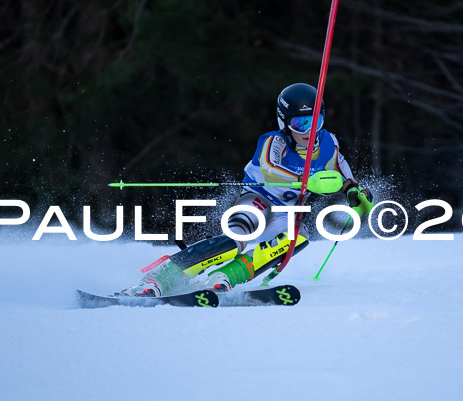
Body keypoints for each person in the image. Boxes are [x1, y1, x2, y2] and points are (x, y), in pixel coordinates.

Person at [119, 83, 373, 296]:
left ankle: (224, 277)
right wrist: (309, 180)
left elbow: (341, 169)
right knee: (238, 235)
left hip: (288, 211)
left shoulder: (329, 142)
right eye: (301, 124)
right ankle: (161, 278)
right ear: (284, 122)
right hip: (259, 199)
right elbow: (270, 168)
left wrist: (354, 192)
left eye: (315, 121)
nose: (309, 131)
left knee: (297, 239)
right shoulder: (273, 141)